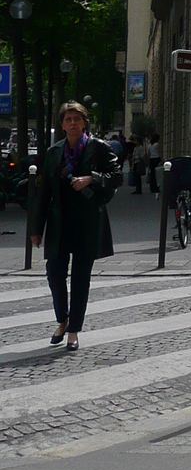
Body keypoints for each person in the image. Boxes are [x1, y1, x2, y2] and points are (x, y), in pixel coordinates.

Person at [30, 101, 121, 352]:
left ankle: (73, 330)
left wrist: (92, 178)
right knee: (55, 275)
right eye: (68, 119)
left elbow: (117, 175)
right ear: (62, 124)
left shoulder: (98, 148)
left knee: (81, 279)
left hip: (87, 222)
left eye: (77, 119)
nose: (73, 123)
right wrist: (36, 228)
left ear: (84, 122)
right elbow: (44, 192)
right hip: (59, 223)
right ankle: (62, 319)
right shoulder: (54, 152)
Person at [148, 132, 161, 196]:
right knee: (157, 174)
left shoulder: (150, 145)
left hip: (151, 159)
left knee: (152, 174)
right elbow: (159, 152)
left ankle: (152, 187)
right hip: (157, 159)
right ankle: (156, 187)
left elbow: (149, 154)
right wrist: (162, 159)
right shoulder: (157, 144)